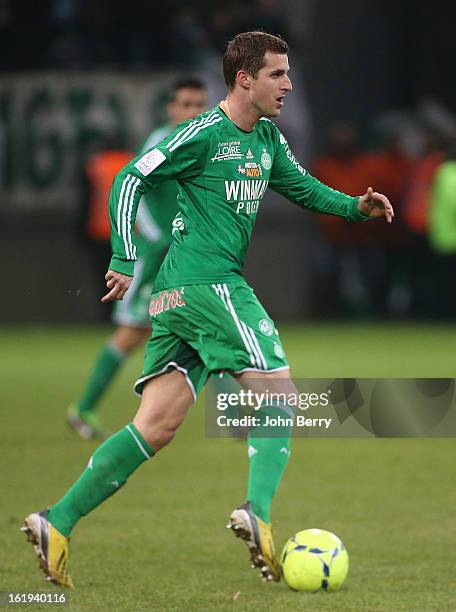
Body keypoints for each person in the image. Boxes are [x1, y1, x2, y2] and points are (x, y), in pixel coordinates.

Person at [23, 31, 393, 588]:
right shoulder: (200, 134)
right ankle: (258, 513)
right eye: (277, 74)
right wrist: (125, 255)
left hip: (179, 298)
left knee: (156, 425)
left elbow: (305, 190)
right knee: (278, 392)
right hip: (206, 284)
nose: (288, 84)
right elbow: (129, 178)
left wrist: (355, 207)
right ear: (244, 77)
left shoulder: (267, 140)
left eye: (288, 73)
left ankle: (58, 521)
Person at [67, 77, 208, 439]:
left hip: (189, 256)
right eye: (186, 104)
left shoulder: (206, 139)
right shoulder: (159, 142)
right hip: (155, 257)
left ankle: (236, 416)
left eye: (199, 104)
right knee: (131, 334)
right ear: (171, 108)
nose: (192, 111)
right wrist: (157, 236)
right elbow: (135, 191)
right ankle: (84, 409)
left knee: (210, 325)